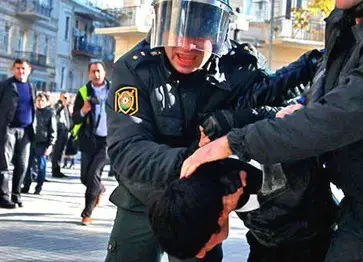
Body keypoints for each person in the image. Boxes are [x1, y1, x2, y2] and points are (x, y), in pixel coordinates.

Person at [181, 0, 363, 260]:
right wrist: (298, 107)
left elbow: (334, 120)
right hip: (360, 216)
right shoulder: (351, 21)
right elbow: (327, 89)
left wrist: (232, 142)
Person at [104, 0, 322, 260]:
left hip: (202, 206)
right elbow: (127, 150)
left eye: (199, 29)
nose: (186, 45)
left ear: (218, 28)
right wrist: (200, 162)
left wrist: (233, 119)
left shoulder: (238, 65)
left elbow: (278, 109)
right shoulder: (134, 68)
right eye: (177, 29)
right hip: (144, 195)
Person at [147, 106, 334, 261]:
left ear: (218, 217)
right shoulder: (203, 170)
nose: (202, 253)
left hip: (316, 245)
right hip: (265, 244)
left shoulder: (284, 185)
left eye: (203, 245)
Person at [72, 61, 110, 225]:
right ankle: (99, 189)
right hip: (89, 140)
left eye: (99, 71)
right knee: (85, 178)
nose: (96, 74)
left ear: (104, 73)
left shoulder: (114, 91)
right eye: (93, 71)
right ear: (89, 74)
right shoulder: (83, 92)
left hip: (107, 141)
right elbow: (75, 117)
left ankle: (87, 213)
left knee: (94, 174)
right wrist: (83, 110)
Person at [0, 59, 37, 208]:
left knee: (22, 165)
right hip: (8, 130)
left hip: (26, 130)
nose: (20, 71)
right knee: (4, 163)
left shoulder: (31, 87)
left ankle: (16, 195)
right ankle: (3, 196)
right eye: (18, 68)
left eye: (23, 69)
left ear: (29, 70)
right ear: (13, 69)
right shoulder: (6, 86)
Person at [22, 93, 57, 194]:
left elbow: (53, 130)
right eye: (38, 100)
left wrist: (50, 144)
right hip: (30, 141)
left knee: (41, 166)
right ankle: (26, 185)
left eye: (42, 101)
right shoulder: (32, 111)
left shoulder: (50, 113)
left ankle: (39, 187)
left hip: (43, 143)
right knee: (27, 165)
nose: (40, 103)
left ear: (46, 102)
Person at [52, 92, 71, 178]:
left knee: (61, 151)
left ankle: (58, 169)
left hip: (65, 130)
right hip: (59, 129)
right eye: (64, 97)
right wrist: (63, 105)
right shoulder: (58, 105)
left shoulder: (67, 107)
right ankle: (55, 170)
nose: (65, 99)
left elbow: (68, 118)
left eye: (67, 98)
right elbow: (55, 113)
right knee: (57, 151)